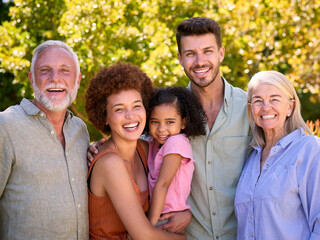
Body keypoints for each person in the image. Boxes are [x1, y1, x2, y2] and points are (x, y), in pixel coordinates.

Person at [88, 17, 252, 239]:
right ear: (180, 59)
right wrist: (95, 147)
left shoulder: (250, 109)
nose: (200, 61)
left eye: (207, 51)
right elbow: (127, 139)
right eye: (190, 53)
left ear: (221, 53)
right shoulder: (167, 114)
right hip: (187, 233)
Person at [85, 62, 187, 240]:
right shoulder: (110, 163)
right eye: (119, 109)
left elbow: (175, 186)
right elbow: (144, 235)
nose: (131, 116)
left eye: (136, 106)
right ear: (105, 116)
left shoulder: (146, 149)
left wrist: (187, 215)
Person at [0, 40, 89, 239]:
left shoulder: (80, 130)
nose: (55, 78)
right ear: (32, 79)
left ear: (78, 80)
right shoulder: (5, 126)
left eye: (65, 70)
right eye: (45, 70)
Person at [234, 70, 320, 239]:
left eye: (274, 99)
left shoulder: (310, 150)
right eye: (258, 101)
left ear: (290, 107)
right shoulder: (251, 157)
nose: (266, 107)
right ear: (250, 108)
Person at [145, 87, 206, 229]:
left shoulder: (176, 142)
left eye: (169, 122)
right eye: (155, 121)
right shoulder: (154, 142)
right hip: (158, 214)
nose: (161, 129)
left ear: (183, 123)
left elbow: (163, 184)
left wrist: (148, 226)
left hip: (166, 217)